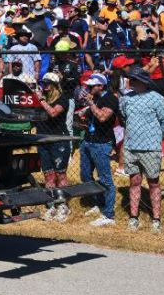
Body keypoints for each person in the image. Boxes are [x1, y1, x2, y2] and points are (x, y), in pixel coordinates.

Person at [119, 68, 164, 233]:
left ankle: (156, 219)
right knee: (134, 181)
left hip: (151, 147)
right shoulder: (126, 98)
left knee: (153, 182)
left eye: (134, 79)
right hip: (131, 146)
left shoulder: (157, 99)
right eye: (130, 79)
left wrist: (154, 138)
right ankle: (134, 218)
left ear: (143, 82)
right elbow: (123, 118)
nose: (130, 82)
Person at [77, 73, 118, 227]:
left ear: (101, 86)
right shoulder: (96, 99)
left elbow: (102, 117)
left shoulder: (111, 99)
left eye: (92, 86)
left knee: (105, 178)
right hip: (88, 140)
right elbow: (92, 118)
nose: (89, 88)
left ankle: (109, 215)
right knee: (85, 175)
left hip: (102, 143)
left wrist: (90, 104)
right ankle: (99, 203)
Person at [34, 72, 72, 222]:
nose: (45, 86)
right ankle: (51, 205)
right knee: (48, 174)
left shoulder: (63, 99)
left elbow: (53, 113)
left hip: (58, 139)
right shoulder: (42, 97)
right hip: (43, 139)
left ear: (55, 85)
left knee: (60, 174)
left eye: (48, 83)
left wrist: (41, 100)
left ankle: (63, 205)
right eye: (44, 83)